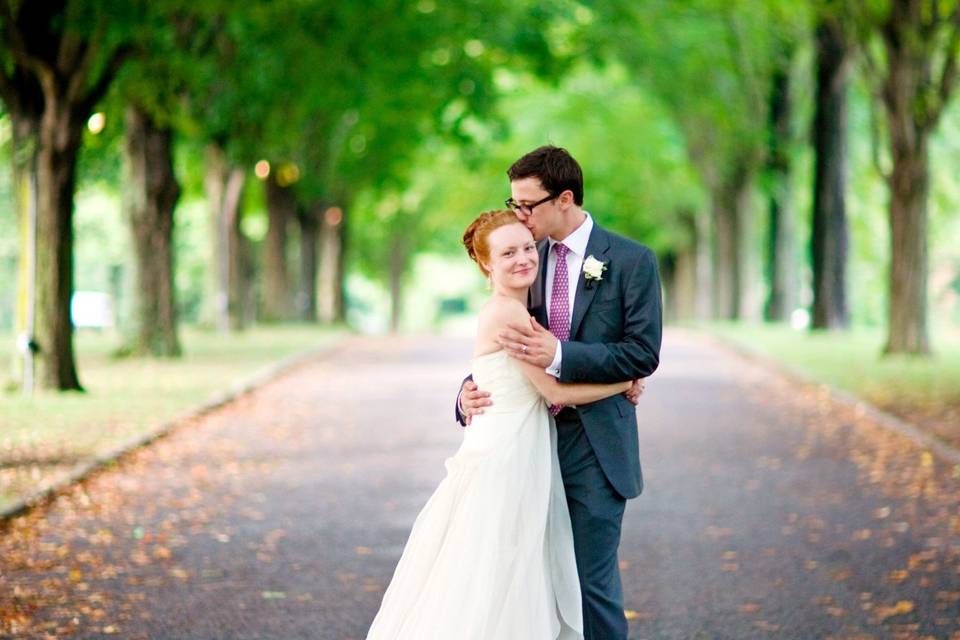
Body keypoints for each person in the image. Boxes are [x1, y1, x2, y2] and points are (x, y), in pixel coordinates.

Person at [366, 210, 634, 640]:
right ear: (487, 264)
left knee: (507, 573)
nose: (524, 258)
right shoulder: (508, 314)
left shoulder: (517, 306)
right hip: (505, 457)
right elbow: (555, 393)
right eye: (508, 253)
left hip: (517, 446)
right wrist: (624, 382)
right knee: (499, 574)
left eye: (527, 248)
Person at [457, 145, 663, 640]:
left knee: (589, 586)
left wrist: (561, 355)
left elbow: (643, 354)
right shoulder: (525, 259)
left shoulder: (632, 261)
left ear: (564, 198)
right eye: (512, 204)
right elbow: (501, 343)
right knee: (530, 585)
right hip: (524, 449)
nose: (517, 217)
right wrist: (468, 389)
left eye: (526, 205)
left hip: (594, 448)